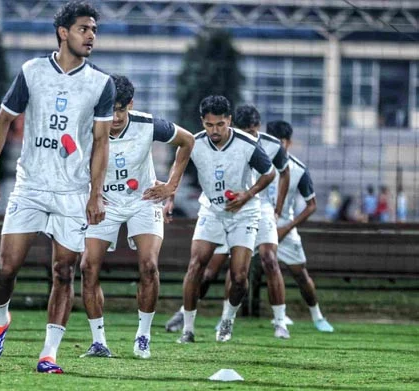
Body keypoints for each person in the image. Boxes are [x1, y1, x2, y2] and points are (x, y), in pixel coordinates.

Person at [0, 1, 115, 374]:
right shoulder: (32, 72)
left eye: (94, 30)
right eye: (84, 29)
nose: (91, 36)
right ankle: (1, 317)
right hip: (31, 186)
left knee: (64, 271)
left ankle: (48, 354)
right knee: (7, 267)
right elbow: (3, 120)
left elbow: (101, 142)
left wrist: (95, 193)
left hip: (72, 193)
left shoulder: (102, 83)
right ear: (63, 32)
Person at [79, 75, 194, 359]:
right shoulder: (88, 126)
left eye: (121, 109)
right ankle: (98, 342)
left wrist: (171, 186)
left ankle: (143, 337)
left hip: (144, 199)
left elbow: (188, 140)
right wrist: (89, 193)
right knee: (88, 267)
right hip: (104, 201)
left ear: (130, 104)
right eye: (110, 110)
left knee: (149, 265)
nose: (116, 117)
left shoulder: (148, 124)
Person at [167, 105, 292, 340]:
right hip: (212, 211)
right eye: (209, 125)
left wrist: (249, 195)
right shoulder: (194, 141)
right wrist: (169, 196)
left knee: (241, 275)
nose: (214, 130)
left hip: (245, 212)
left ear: (229, 121)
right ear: (202, 121)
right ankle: (188, 328)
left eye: (220, 124)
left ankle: (229, 320)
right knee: (197, 266)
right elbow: (178, 166)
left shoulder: (250, 144)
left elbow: (272, 173)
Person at [269, 120, 334, 332]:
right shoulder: (255, 163)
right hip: (255, 224)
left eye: (281, 142)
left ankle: (318, 317)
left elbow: (311, 205)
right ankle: (227, 319)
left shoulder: (298, 169)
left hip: (284, 227)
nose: (278, 147)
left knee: (300, 274)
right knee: (237, 270)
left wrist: (286, 227)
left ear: (288, 143)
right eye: (273, 142)